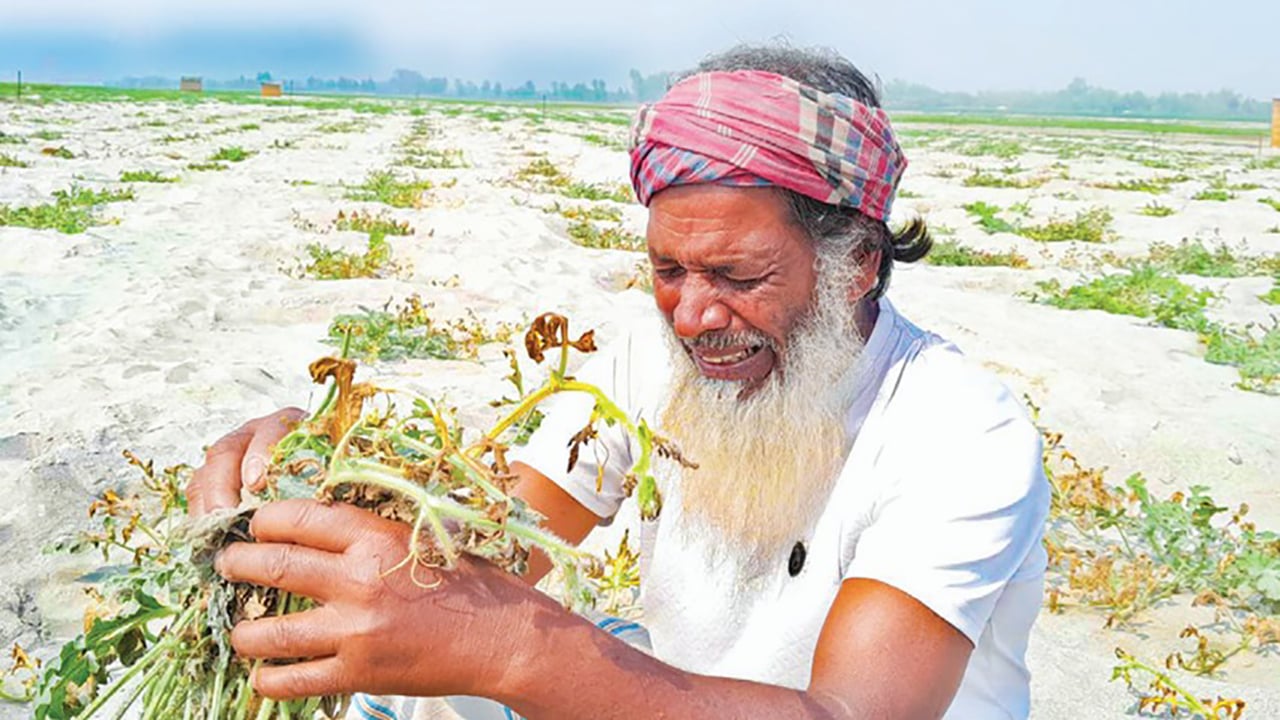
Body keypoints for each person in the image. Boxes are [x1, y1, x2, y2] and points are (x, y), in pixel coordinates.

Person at [190, 43, 1050, 719]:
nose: (691, 318)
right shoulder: (643, 366)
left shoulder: (960, 434)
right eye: (669, 269)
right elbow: (487, 550)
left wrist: (518, 650)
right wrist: (330, 469)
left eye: (739, 277)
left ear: (857, 263)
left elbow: (853, 714)